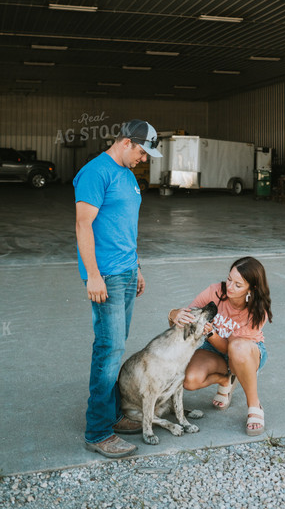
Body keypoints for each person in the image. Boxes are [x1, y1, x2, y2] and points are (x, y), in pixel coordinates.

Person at [74, 119, 162, 458]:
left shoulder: (127, 175)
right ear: (126, 142)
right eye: (142, 151)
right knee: (109, 349)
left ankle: (110, 416)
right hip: (106, 276)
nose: (144, 159)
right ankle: (97, 431)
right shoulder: (96, 173)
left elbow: (126, 226)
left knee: (116, 344)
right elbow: (83, 226)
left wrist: (137, 266)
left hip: (125, 271)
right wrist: (93, 275)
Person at [168, 257, 272, 436]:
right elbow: (191, 316)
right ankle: (226, 380)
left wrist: (210, 334)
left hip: (245, 354)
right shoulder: (215, 291)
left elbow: (228, 348)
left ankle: (254, 404)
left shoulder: (257, 310)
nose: (229, 287)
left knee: (237, 348)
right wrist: (175, 314)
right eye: (229, 279)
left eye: (238, 285)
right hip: (212, 350)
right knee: (189, 380)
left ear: (251, 288)